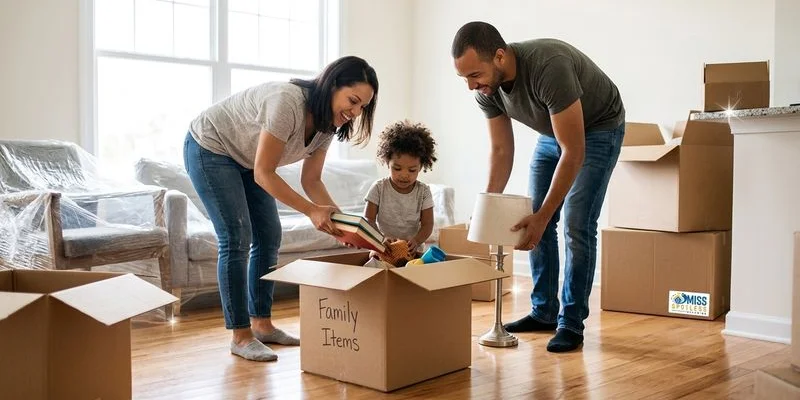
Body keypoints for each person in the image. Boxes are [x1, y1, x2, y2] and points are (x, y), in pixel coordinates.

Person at [183, 56, 379, 362]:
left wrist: (349, 226)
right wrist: (312, 211)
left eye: (362, 107)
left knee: (269, 235)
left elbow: (311, 180)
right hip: (211, 147)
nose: (354, 113)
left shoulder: (328, 126)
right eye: (352, 101)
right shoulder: (287, 102)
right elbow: (265, 172)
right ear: (332, 85)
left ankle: (262, 325)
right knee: (236, 235)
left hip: (247, 161)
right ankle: (241, 335)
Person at [451, 22, 625, 352]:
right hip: (553, 132)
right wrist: (487, 206)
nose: (471, 86)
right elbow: (501, 151)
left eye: (474, 75)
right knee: (532, 219)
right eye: (464, 78)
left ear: (499, 57)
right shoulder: (487, 90)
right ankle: (544, 311)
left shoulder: (549, 66)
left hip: (599, 128)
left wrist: (545, 214)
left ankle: (571, 322)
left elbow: (574, 151)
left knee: (576, 224)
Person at [364, 120, 438, 257]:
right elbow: (368, 219)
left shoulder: (423, 192)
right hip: (383, 248)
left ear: (421, 167)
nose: (404, 175)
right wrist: (380, 239)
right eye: (397, 168)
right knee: (375, 262)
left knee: (418, 270)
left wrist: (417, 240)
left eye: (412, 170)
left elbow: (428, 224)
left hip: (412, 251)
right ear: (387, 162)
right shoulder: (379, 188)